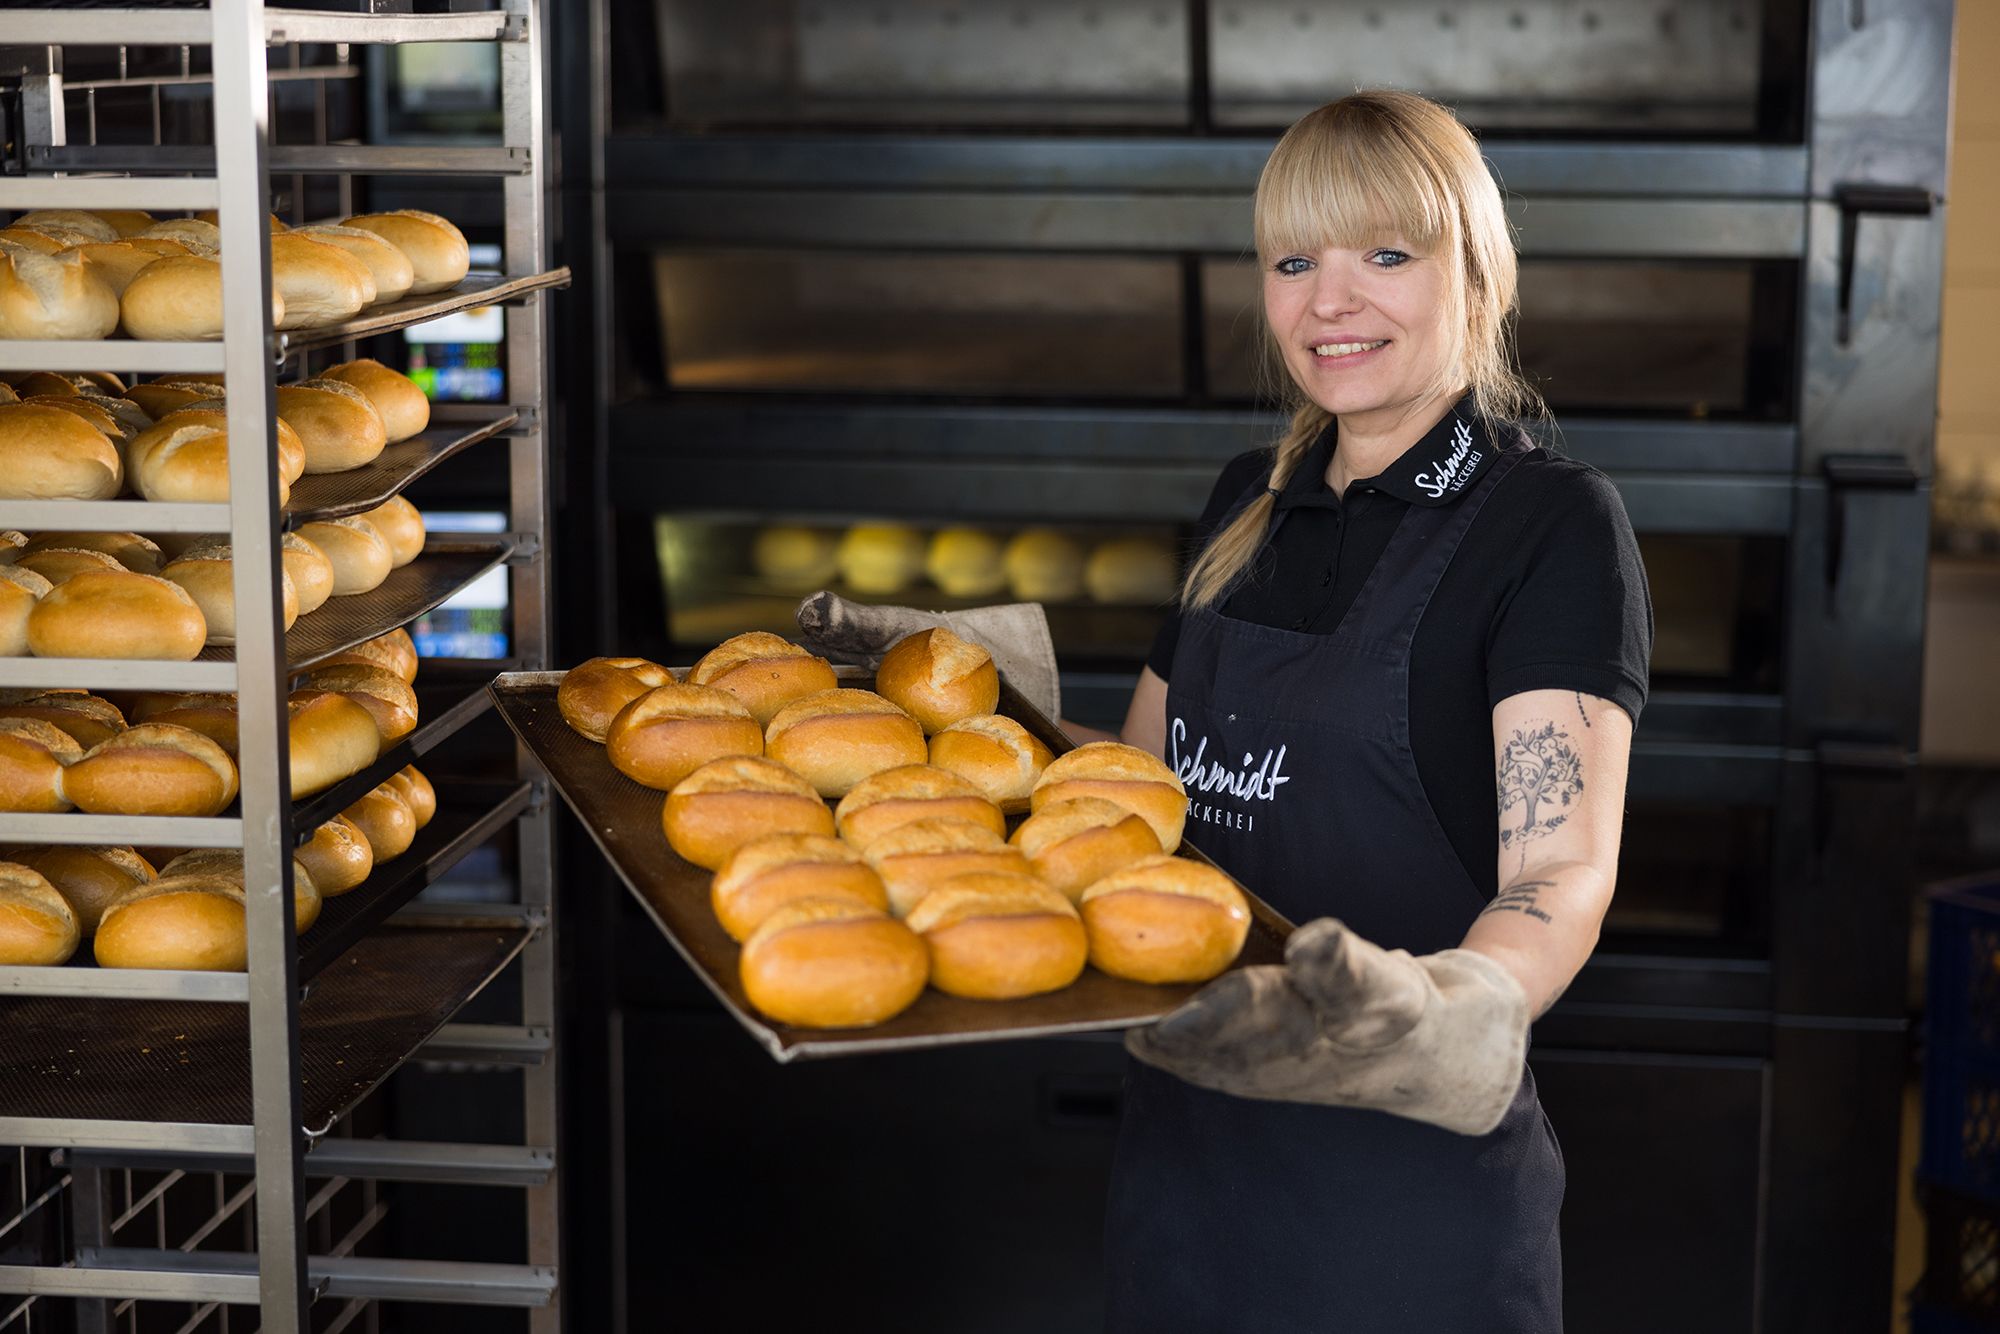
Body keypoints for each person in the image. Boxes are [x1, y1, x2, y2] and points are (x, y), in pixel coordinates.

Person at [798, 87, 1650, 1332]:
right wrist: (948, 714)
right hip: (1187, 1167)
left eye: (1385, 255)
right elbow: (1138, 788)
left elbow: (1559, 866)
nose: (1328, 301)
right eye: (1292, 260)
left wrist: (1444, 1012)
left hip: (1401, 1206)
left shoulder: (1549, 527)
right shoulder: (1250, 496)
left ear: (1477, 270)